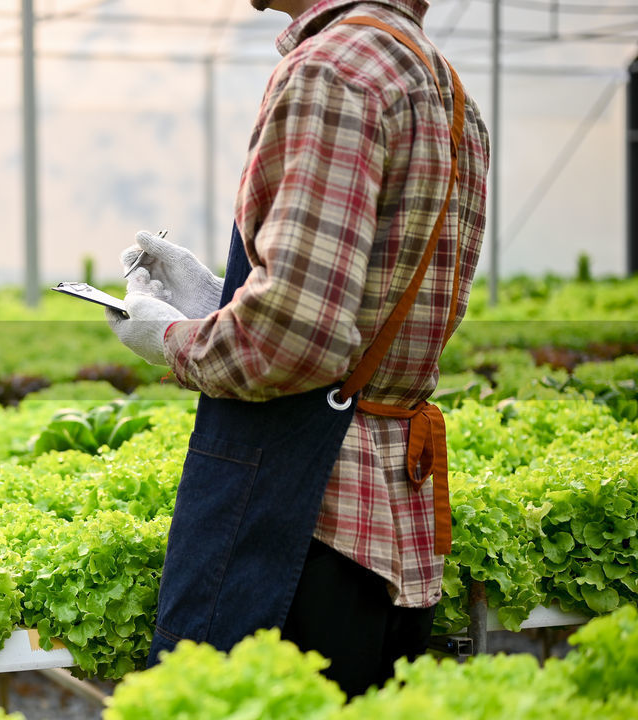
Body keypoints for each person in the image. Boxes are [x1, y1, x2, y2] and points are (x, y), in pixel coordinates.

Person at [106, 0, 490, 697]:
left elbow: (296, 342)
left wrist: (167, 338)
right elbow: (363, 317)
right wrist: (216, 301)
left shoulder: (333, 71)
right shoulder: (442, 85)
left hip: (304, 523)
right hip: (388, 525)